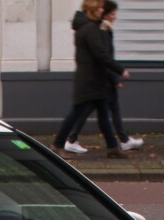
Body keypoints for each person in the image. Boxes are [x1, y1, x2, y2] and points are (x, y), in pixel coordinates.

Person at [52, 0, 130, 159]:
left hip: (94, 79)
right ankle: (58, 144)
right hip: (90, 81)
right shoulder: (90, 29)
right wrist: (120, 70)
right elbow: (101, 54)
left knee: (103, 114)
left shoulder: (89, 27)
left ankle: (112, 147)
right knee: (76, 113)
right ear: (94, 10)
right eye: (100, 7)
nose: (103, 10)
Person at [64, 1, 144, 154]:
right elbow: (104, 56)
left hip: (102, 78)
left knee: (106, 110)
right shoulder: (99, 30)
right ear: (101, 13)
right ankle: (68, 140)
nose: (115, 17)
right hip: (101, 80)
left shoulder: (100, 28)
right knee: (89, 111)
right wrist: (116, 76)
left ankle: (119, 142)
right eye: (112, 13)